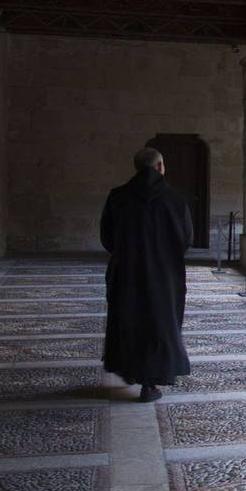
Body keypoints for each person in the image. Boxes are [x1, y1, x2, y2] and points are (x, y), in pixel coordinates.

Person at [100, 147, 193, 402]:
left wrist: (128, 255)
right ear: (160, 167)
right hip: (165, 276)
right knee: (160, 324)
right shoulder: (175, 199)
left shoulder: (117, 197)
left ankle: (131, 370)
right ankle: (150, 384)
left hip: (126, 273)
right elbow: (186, 239)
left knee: (129, 321)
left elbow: (107, 238)